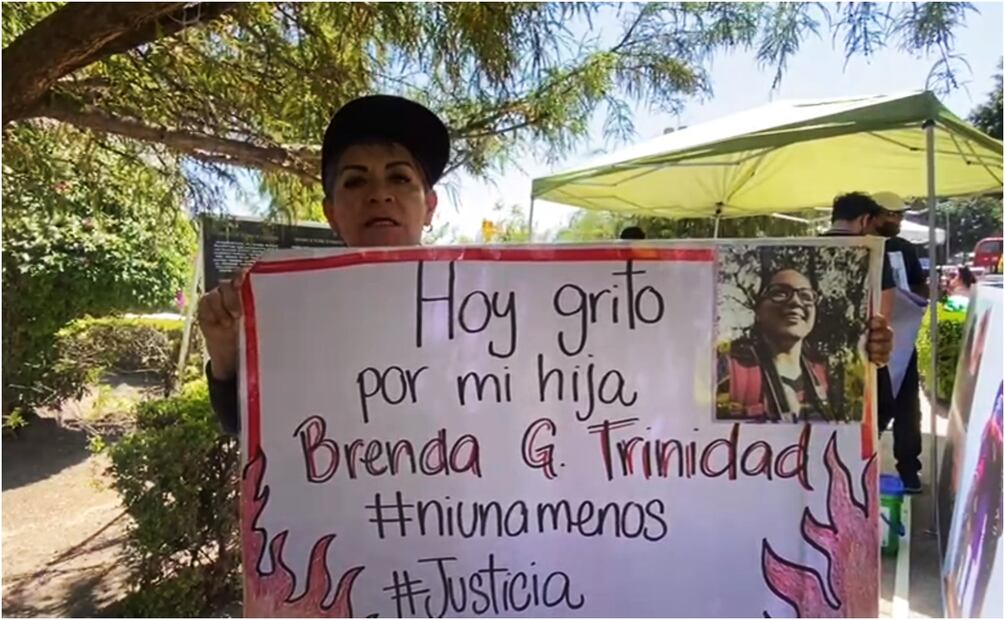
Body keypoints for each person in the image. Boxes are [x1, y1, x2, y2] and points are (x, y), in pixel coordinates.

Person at [197, 95, 895, 435]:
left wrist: (856, 360)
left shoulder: (497, 295)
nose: (378, 191)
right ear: (330, 211)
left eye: (398, 177)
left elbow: (665, 369)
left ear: (428, 201)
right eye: (353, 180)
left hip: (485, 546)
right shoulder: (292, 306)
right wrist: (227, 353)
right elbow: (253, 431)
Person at [716, 267, 837, 423]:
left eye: (806, 296)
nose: (795, 302)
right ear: (758, 311)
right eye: (780, 293)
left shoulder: (827, 376)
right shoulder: (728, 370)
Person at [866, 191, 926, 493]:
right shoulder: (860, 246)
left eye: (900, 215)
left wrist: (911, 301)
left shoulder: (905, 249)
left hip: (902, 341)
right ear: (873, 216)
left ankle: (909, 470)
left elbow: (919, 288)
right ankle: (862, 466)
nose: (897, 220)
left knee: (907, 408)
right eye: (891, 214)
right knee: (868, 409)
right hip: (868, 344)